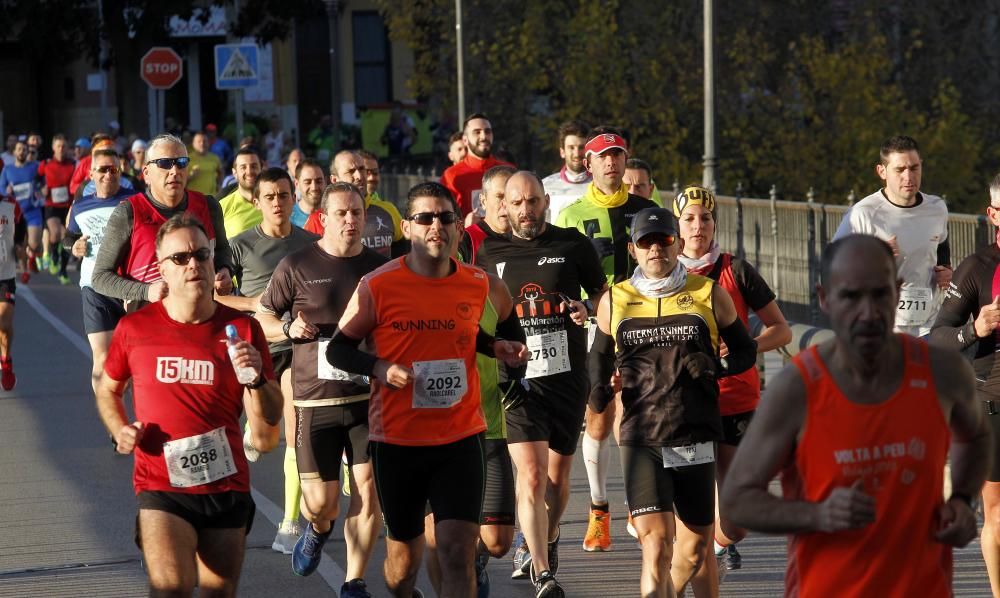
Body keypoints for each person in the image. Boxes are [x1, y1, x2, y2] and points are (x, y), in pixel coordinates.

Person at [722, 234, 989, 597]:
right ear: (825, 299)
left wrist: (962, 500)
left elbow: (974, 436)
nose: (867, 311)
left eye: (879, 294)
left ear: (897, 292)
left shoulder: (941, 372)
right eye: (850, 296)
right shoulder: (797, 388)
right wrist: (816, 516)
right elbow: (738, 500)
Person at [327, 181, 528, 598]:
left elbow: (469, 335)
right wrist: (380, 367)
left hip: (460, 437)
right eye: (425, 218)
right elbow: (338, 351)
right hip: (397, 441)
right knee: (403, 568)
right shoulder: (378, 285)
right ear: (408, 227)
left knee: (457, 550)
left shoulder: (478, 284)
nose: (436, 225)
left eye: (445, 217)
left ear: (458, 227)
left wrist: (496, 346)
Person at [95, 214, 283, 596]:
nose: (193, 264)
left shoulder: (243, 330)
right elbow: (108, 389)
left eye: (201, 254)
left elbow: (274, 412)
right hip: (161, 484)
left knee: (219, 593)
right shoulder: (136, 328)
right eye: (180, 258)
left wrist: (259, 377)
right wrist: (119, 429)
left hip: (226, 483)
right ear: (162, 268)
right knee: (171, 588)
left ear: (214, 260)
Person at [588, 206, 757, 598]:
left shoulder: (709, 294)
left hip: (694, 433)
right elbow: (596, 359)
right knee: (656, 543)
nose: (655, 250)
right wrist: (600, 389)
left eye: (663, 240)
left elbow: (746, 352)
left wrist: (717, 365)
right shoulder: (616, 300)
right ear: (633, 250)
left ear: (677, 244)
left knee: (696, 548)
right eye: (645, 242)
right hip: (641, 435)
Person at [475, 172, 606, 597]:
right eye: (517, 203)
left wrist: (586, 308)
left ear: (545, 201)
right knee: (529, 477)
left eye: (533, 202)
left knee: (555, 479)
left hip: (567, 377)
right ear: (504, 207)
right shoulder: (487, 251)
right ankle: (542, 571)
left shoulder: (571, 244)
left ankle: (546, 539)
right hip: (517, 383)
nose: (526, 210)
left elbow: (605, 299)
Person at [257, 181, 387, 594]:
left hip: (369, 401)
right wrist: (287, 327)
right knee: (322, 504)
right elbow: (263, 316)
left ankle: (354, 580)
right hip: (316, 401)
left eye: (357, 213)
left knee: (368, 491)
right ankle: (317, 528)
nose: (350, 220)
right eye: (342, 213)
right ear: (324, 219)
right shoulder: (296, 265)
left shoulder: (380, 267)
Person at [673, 185, 791, 578]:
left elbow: (782, 330)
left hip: (735, 399)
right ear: (677, 227)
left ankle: (713, 548)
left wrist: (744, 348)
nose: (698, 226)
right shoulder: (662, 274)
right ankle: (690, 560)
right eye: (689, 218)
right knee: (693, 506)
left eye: (705, 218)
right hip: (683, 403)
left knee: (737, 518)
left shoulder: (735, 270)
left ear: (714, 224)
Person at [555, 127, 656, 551]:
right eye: (603, 156)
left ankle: (640, 504)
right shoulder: (571, 215)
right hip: (595, 326)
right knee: (598, 412)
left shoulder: (647, 208)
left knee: (635, 412)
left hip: (643, 323)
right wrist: (575, 307)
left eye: (617, 154)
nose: (612, 162)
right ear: (587, 164)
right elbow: (558, 276)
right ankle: (599, 508)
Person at [219, 167, 318, 554]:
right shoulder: (239, 246)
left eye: (283, 195)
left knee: (296, 427)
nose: (277, 202)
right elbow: (217, 300)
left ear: (294, 199)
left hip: (300, 346)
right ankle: (254, 431)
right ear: (257, 202)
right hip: (260, 347)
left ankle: (290, 521)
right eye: (270, 196)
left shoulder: (312, 244)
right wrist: (252, 305)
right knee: (267, 435)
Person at [930, 173, 1000, 597]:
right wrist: (977, 327)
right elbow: (940, 335)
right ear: (993, 214)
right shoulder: (978, 268)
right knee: (997, 514)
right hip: (993, 402)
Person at [91, 133, 234, 310]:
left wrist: (225, 270)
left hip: (201, 318)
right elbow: (100, 277)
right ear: (146, 174)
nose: (175, 171)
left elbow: (222, 250)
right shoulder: (128, 212)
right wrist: (146, 291)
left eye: (181, 162)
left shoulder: (209, 206)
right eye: (165, 163)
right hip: (149, 323)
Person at [832, 135, 951, 337]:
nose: (908, 177)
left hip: (929, 327)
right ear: (882, 171)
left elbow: (942, 250)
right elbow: (832, 270)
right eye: (899, 170)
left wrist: (947, 272)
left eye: (914, 168)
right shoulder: (863, 214)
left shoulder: (937, 208)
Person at [64, 147, 134, 395]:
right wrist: (75, 246)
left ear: (120, 171)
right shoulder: (81, 206)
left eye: (113, 169)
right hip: (95, 287)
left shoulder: (135, 200)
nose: (108, 174)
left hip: (130, 287)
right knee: (101, 358)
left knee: (134, 363)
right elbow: (68, 237)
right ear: (91, 173)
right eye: (102, 169)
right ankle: (113, 425)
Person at [303, 151, 405, 257]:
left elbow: (403, 253)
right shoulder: (318, 220)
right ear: (334, 179)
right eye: (351, 171)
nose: (359, 176)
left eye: (362, 169)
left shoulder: (388, 210)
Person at [441, 113, 515, 217]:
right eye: (477, 132)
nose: (483, 136)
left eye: (487, 131)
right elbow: (444, 216)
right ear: (465, 140)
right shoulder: (451, 175)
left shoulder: (509, 171)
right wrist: (464, 226)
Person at [0, 138, 42, 283]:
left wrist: (42, 189)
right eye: (19, 149)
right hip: (15, 212)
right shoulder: (8, 169)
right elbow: (1, 188)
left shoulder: (35, 166)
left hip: (32, 211)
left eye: (25, 150)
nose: (22, 152)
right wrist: (7, 191)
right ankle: (25, 270)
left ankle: (32, 255)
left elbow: (44, 179)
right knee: (19, 244)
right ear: (14, 152)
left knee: (34, 243)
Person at [458, 164, 515, 265]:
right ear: (483, 201)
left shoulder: (530, 237)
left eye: (512, 196)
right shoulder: (466, 241)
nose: (506, 203)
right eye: (500, 196)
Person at [38, 134, 76, 283]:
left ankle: (63, 270)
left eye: (63, 146)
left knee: (67, 236)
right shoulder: (46, 164)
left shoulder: (72, 164)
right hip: (51, 205)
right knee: (55, 232)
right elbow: (36, 179)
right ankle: (54, 255)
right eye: (58, 146)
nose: (61, 149)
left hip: (67, 206)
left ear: (67, 148)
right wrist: (41, 188)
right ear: (53, 148)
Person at [541, 120, 591, 222]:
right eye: (571, 148)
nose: (576, 153)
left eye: (581, 147)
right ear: (562, 152)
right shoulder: (544, 186)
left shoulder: (601, 184)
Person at [218, 147, 264, 240]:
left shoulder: (274, 202)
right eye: (243, 167)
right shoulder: (222, 206)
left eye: (254, 166)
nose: (249, 171)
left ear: (262, 170)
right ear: (234, 173)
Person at [291, 158, 325, 229]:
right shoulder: (288, 218)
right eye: (307, 182)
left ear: (325, 182)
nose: (314, 187)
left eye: (319, 181)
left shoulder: (334, 216)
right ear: (297, 184)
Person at [187, 132, 223, 197]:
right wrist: (191, 176)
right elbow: (181, 180)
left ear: (208, 143)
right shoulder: (188, 159)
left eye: (204, 141)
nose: (202, 143)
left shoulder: (214, 158)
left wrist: (219, 185)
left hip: (211, 197)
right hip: (194, 197)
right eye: (199, 141)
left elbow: (220, 172)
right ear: (193, 144)